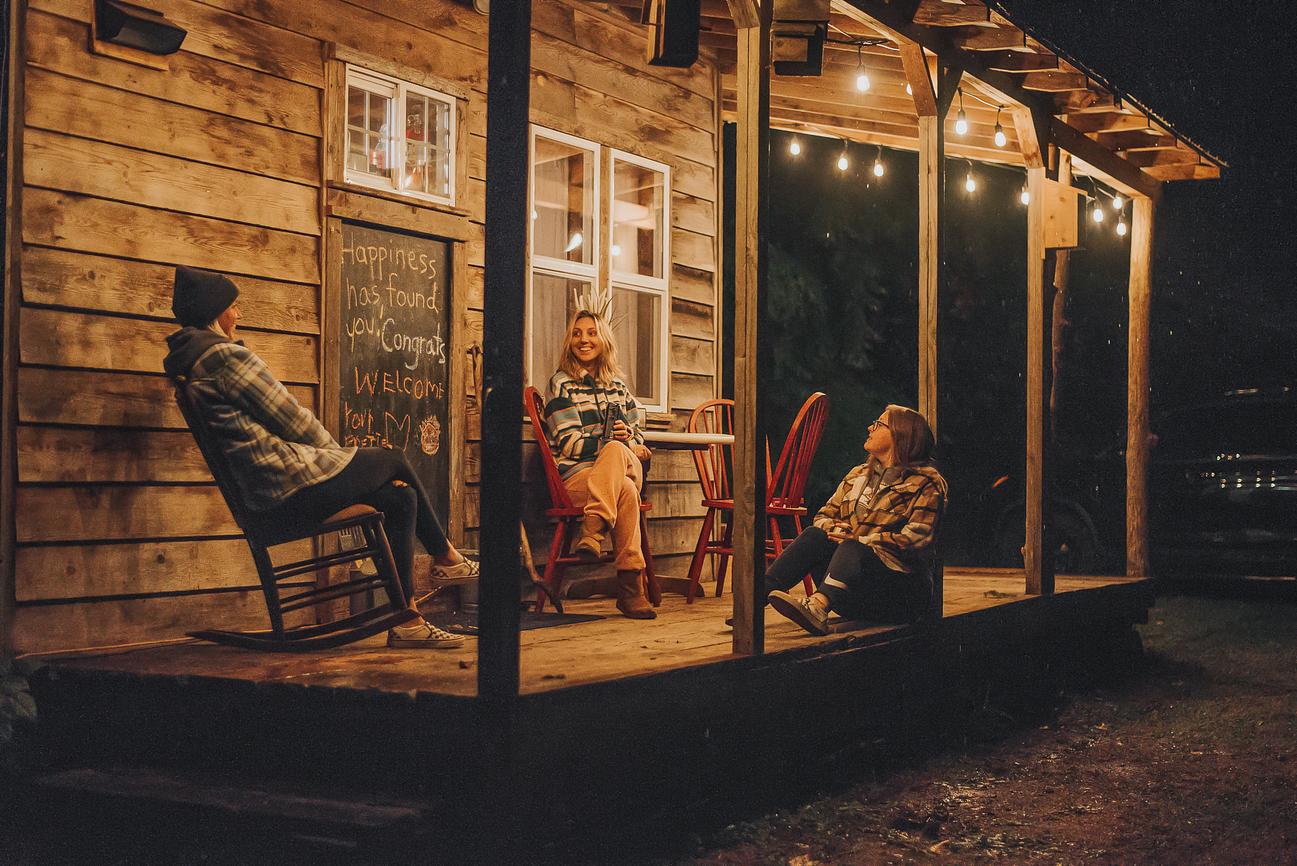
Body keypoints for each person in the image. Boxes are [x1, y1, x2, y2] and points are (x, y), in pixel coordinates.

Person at [162, 266, 477, 649]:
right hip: (284, 492)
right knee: (392, 459)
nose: (238, 315)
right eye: (234, 306)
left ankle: (407, 621)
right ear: (215, 312)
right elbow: (293, 420)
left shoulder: (192, 361)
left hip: (268, 495)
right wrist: (338, 457)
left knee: (400, 497)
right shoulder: (223, 359)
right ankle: (446, 558)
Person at [764, 404, 946, 636]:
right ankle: (757, 598)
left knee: (853, 546)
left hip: (899, 596)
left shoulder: (926, 483)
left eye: (879, 423)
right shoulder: (858, 475)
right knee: (815, 535)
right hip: (850, 591)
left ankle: (818, 607)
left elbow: (917, 539)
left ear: (900, 434)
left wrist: (861, 540)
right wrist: (835, 530)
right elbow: (823, 515)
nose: (870, 427)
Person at [543, 310, 656, 619]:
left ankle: (592, 530)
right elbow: (570, 444)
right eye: (577, 333)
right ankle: (632, 590)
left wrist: (628, 437)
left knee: (619, 452)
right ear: (570, 341)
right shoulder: (561, 385)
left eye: (591, 333)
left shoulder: (619, 387)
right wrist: (617, 445)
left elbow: (639, 436)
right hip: (579, 479)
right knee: (626, 491)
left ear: (603, 339)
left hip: (615, 471)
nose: (584, 339)